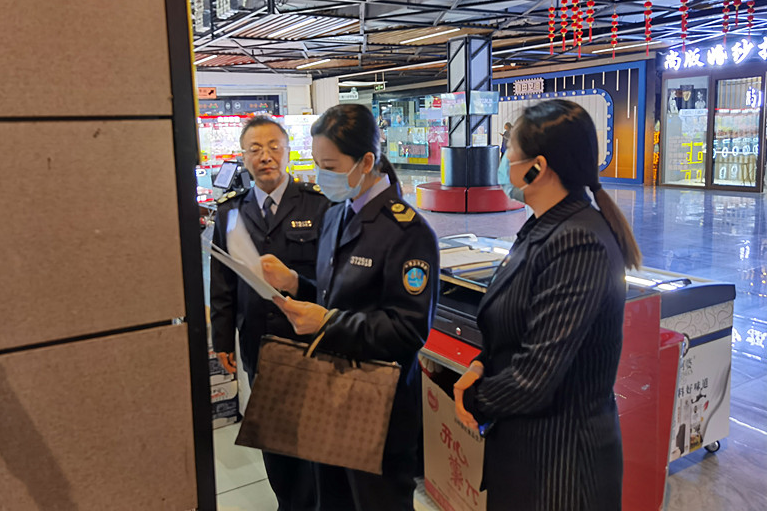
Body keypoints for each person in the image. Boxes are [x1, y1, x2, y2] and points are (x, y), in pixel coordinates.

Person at [454, 99, 642, 511]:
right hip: (528, 456)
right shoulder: (543, 227)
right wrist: (483, 363)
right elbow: (519, 324)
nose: (503, 161)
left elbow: (536, 375)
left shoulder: (579, 242)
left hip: (561, 470)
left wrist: (474, 400)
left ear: (536, 167)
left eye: (508, 150)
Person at [261, 103, 439, 511]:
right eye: (317, 164)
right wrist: (297, 284)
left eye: (330, 166)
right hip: (330, 395)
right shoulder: (336, 214)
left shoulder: (406, 232)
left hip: (378, 408)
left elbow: (408, 329)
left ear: (367, 162)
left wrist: (329, 323)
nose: (321, 176)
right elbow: (335, 297)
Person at [209, 116, 328, 511]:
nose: (265, 157)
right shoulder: (230, 211)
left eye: (274, 147)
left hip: (310, 342)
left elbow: (332, 278)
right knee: (273, 434)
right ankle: (288, 504)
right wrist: (222, 340)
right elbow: (222, 283)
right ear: (243, 157)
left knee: (314, 434)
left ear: (288, 151)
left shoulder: (318, 205)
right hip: (258, 340)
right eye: (255, 149)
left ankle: (314, 503)